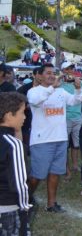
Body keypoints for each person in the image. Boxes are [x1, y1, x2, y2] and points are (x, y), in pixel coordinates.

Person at [27, 63, 82, 212]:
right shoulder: (34, 91)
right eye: (48, 73)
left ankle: (51, 204)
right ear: (39, 76)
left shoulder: (61, 92)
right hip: (41, 140)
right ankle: (25, 199)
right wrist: (52, 88)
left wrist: (78, 89)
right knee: (37, 175)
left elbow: (75, 101)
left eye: (54, 73)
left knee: (55, 172)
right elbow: (35, 101)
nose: (52, 76)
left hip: (60, 138)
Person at [0, 92, 32, 235]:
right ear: (9, 115)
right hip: (9, 209)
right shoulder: (13, 145)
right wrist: (25, 207)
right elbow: (19, 183)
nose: (24, 117)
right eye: (21, 112)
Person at [60, 62, 82, 181]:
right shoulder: (59, 84)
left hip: (78, 117)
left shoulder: (80, 82)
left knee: (76, 144)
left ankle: (75, 165)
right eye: (67, 69)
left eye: (71, 68)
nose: (70, 71)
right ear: (63, 71)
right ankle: (66, 169)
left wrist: (78, 87)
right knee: (64, 145)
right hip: (64, 118)